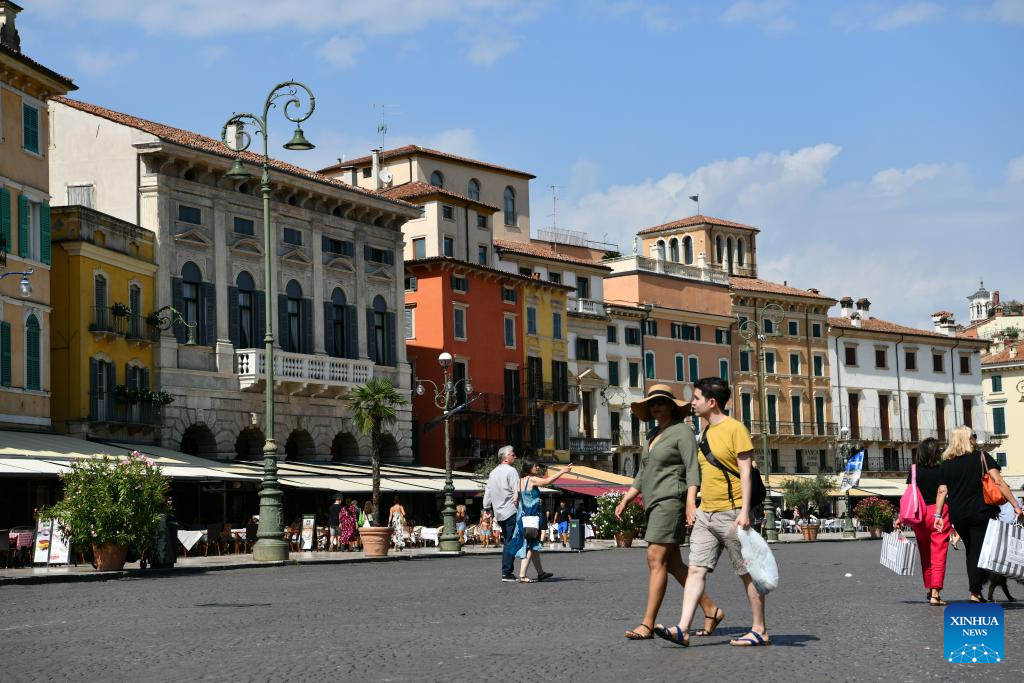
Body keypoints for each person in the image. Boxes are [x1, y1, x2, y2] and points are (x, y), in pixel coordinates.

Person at [657, 377, 768, 647]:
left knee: (746, 572)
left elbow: (745, 473)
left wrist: (744, 511)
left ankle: (759, 629)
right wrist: (693, 503)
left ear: (711, 402)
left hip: (731, 514)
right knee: (695, 569)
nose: (691, 403)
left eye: (695, 398)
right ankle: (683, 628)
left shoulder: (735, 429)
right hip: (706, 514)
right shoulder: (705, 432)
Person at [615, 384, 721, 642]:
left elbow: (692, 467)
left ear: (672, 406)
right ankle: (711, 610)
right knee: (672, 564)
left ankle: (647, 624)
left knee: (654, 558)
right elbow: (643, 471)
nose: (656, 407)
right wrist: (628, 497)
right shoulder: (652, 434)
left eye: (661, 402)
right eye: (652, 404)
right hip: (653, 502)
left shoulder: (682, 431)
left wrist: (690, 502)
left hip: (670, 500)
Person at [934, 425, 1021, 602]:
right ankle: (975, 591)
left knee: (972, 551)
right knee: (979, 551)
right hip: (980, 512)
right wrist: (1015, 505)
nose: (974, 438)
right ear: (969, 438)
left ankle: (977, 590)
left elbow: (942, 491)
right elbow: (998, 481)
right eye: (973, 435)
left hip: (958, 515)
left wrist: (938, 516)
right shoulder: (981, 457)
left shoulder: (947, 464)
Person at [898, 438, 950, 606]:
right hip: (937, 513)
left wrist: (900, 517)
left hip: (918, 514)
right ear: (936, 453)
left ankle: (929, 588)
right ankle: (935, 593)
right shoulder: (942, 469)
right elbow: (942, 491)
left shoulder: (913, 470)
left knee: (925, 555)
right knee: (938, 553)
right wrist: (937, 514)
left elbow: (908, 495)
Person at [511, 459, 572, 582]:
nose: (537, 468)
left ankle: (541, 573)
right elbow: (546, 481)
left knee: (534, 547)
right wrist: (562, 471)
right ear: (529, 468)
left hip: (522, 518)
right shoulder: (531, 479)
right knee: (530, 545)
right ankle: (522, 575)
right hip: (532, 518)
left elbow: (515, 500)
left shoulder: (518, 482)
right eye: (535, 466)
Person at [483, 445, 520, 582]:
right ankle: (507, 572)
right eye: (513, 454)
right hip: (511, 511)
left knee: (507, 540)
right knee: (511, 541)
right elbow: (517, 491)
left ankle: (508, 570)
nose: (515, 456)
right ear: (505, 457)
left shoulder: (493, 473)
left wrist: (486, 509)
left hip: (499, 513)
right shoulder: (511, 471)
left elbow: (488, 492)